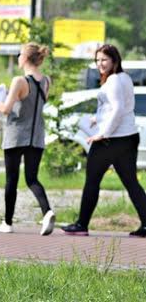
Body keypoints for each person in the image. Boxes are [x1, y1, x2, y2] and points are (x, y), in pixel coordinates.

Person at [62, 44, 146, 237]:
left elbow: (117, 109)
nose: (100, 64)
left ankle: (81, 224)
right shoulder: (124, 78)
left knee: (92, 180)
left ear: (115, 61)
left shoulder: (114, 80)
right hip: (128, 138)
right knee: (132, 183)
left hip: (111, 140)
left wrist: (102, 133)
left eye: (104, 60)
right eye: (98, 60)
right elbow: (120, 108)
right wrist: (97, 119)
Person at [0, 43, 56, 235]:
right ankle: (47, 211)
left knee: (11, 179)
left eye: (19, 55)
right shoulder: (46, 81)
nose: (18, 58)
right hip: (36, 136)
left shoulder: (19, 81)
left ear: (25, 58)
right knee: (32, 179)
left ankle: (8, 222)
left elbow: (5, 109)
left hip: (16, 135)